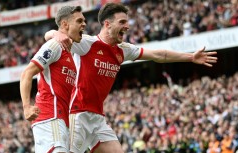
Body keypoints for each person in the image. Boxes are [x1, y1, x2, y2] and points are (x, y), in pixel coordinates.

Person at [45, 3, 218, 153]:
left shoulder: (123, 50)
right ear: (107, 24)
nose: (127, 26)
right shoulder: (87, 44)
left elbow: (159, 54)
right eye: (122, 22)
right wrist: (55, 34)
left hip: (98, 118)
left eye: (127, 22)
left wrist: (190, 57)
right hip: (78, 114)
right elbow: (51, 35)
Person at [20, 6, 86, 153]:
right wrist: (26, 107)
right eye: (79, 21)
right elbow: (27, 73)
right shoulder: (55, 45)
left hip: (60, 120)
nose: (84, 24)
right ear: (65, 24)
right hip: (51, 116)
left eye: (84, 21)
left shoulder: (70, 52)